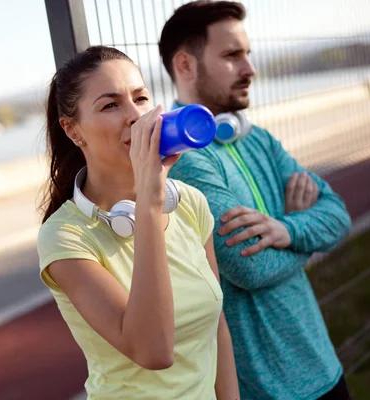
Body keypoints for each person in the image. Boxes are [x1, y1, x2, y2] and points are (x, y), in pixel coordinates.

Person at [158, 1, 353, 399]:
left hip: (325, 369)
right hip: (265, 389)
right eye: (232, 56)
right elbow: (253, 267)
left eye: (247, 54)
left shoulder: (256, 138)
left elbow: (339, 216)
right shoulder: (185, 162)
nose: (250, 69)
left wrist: (287, 227)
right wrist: (302, 231)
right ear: (185, 65)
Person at [36, 45, 240, 399]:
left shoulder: (189, 203)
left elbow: (216, 326)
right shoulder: (65, 237)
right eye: (110, 105)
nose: (135, 116)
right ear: (72, 130)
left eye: (141, 98)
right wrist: (147, 206)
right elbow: (153, 351)